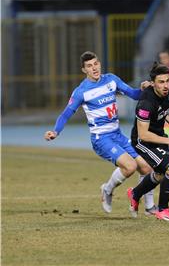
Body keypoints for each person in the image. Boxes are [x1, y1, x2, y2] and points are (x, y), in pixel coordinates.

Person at [44, 51, 156, 215]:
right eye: (89, 66)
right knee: (130, 166)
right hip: (101, 139)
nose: (94, 68)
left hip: (118, 135)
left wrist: (144, 89)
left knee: (146, 168)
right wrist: (55, 131)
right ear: (84, 70)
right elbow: (66, 113)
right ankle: (107, 190)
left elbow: (133, 95)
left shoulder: (111, 79)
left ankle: (149, 207)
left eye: (96, 63)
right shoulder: (81, 91)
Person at [127, 62, 169, 222]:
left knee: (161, 175)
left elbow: (164, 111)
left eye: (167, 81)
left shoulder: (168, 91)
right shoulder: (146, 102)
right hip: (143, 142)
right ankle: (163, 210)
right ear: (153, 83)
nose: (166, 85)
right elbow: (143, 134)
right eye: (161, 82)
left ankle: (135, 194)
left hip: (158, 136)